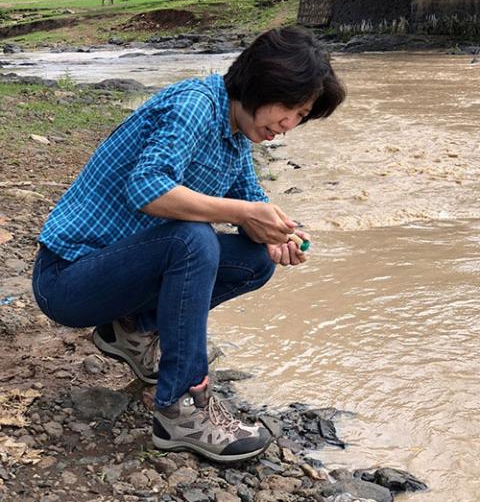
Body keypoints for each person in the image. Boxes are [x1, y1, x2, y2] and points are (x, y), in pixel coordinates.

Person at [32, 25, 346, 463]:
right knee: (193, 239)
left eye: (301, 116)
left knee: (255, 260)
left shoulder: (236, 137)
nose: (289, 125)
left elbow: (252, 206)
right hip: (67, 279)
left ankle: (132, 329)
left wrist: (279, 233)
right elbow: (148, 189)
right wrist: (240, 214)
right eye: (291, 109)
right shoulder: (196, 105)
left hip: (117, 276)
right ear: (265, 83)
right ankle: (180, 409)